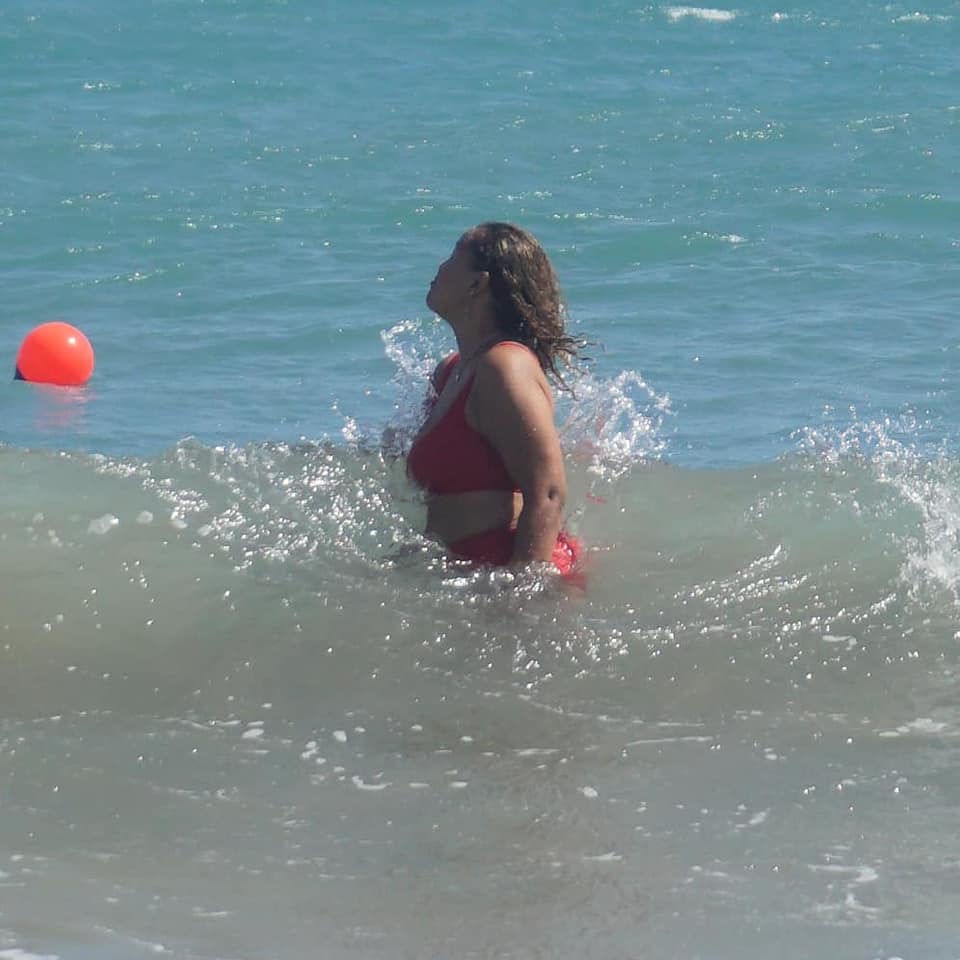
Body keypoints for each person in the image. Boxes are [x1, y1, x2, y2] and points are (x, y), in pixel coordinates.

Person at [407, 222, 584, 574]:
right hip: (467, 567)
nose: (440, 267)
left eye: (452, 258)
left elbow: (548, 493)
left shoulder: (504, 366)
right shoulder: (450, 371)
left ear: (477, 284)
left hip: (509, 569)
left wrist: (521, 594)